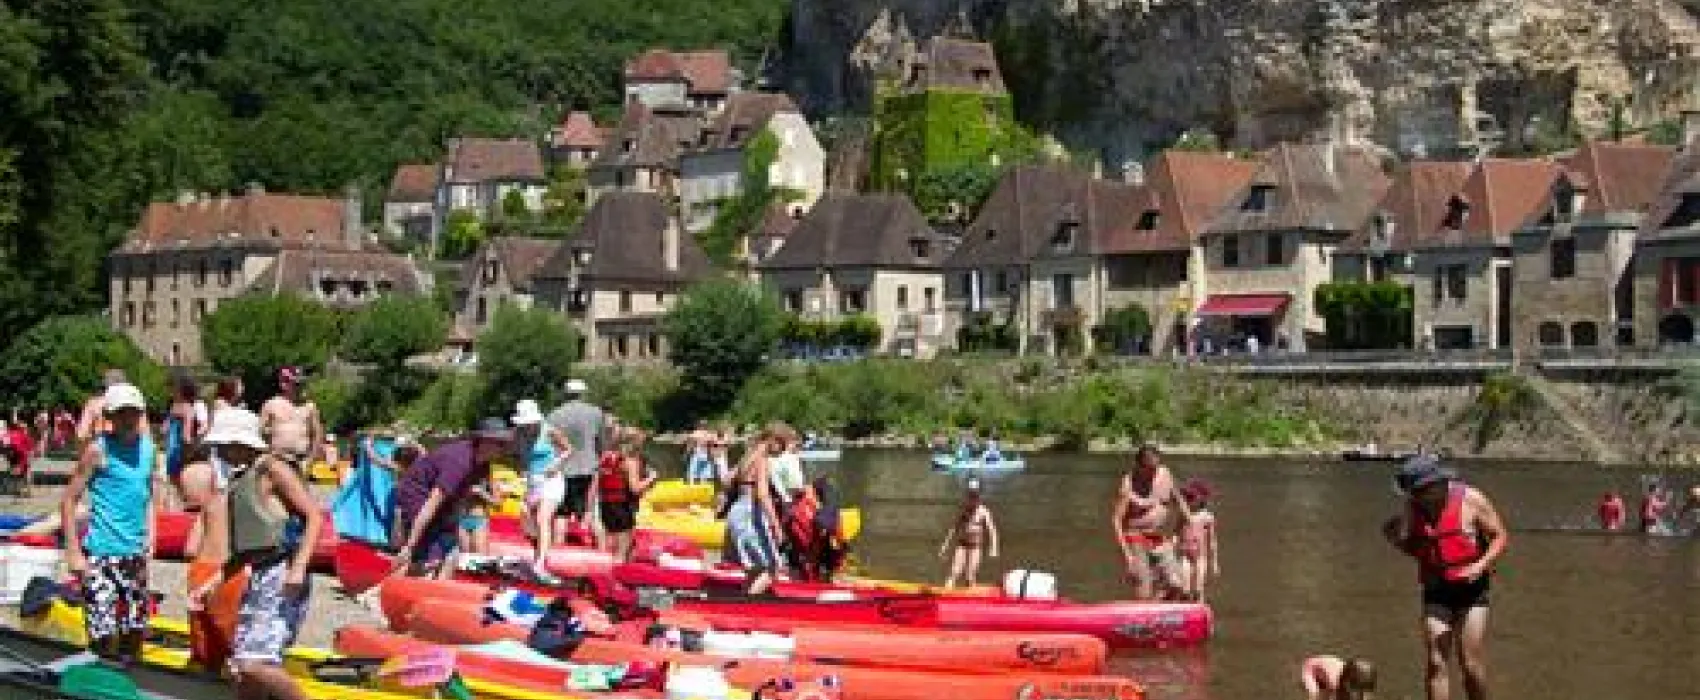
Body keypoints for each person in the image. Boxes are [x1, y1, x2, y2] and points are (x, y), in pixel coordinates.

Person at [188, 408, 323, 700]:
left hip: (282, 572)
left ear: (241, 443)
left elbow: (314, 516)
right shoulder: (241, 479)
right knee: (243, 672)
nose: (220, 452)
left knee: (254, 665)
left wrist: (298, 567)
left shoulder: (272, 469)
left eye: (224, 446)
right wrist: (213, 583)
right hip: (259, 575)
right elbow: (246, 550)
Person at [1381, 455, 1508, 700]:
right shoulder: (1413, 508)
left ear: (1437, 483)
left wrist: (1481, 565)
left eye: (1421, 492)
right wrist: (1402, 544)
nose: (1418, 499)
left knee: (1470, 664)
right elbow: (1407, 542)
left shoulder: (1471, 499)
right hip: (1436, 588)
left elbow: (1500, 535)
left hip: (1472, 588)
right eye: (1413, 494)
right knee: (1436, 662)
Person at [60, 383, 156, 662]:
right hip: (101, 554)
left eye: (133, 413)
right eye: (121, 414)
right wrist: (74, 552)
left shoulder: (148, 450)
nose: (128, 420)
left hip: (134, 554)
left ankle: (132, 681)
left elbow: (148, 493)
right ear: (110, 417)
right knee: (102, 633)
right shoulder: (97, 451)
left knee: (135, 629)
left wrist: (153, 531)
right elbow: (68, 500)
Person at [392, 419, 513, 579]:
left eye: (504, 443)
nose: (503, 447)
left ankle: (436, 588)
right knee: (429, 556)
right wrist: (409, 545)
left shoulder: (483, 465)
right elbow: (431, 504)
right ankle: (384, 589)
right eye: (499, 443)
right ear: (484, 441)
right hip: (417, 496)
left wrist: (454, 526)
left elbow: (462, 497)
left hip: (441, 505)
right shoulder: (458, 462)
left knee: (452, 552)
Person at [1113, 443, 1190, 601]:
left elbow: (1179, 500)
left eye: (1156, 467)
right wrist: (1128, 556)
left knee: (1177, 584)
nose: (1153, 472)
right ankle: (1146, 612)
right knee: (1143, 591)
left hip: (1160, 538)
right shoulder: (1128, 485)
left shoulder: (1165, 473)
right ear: (1139, 466)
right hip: (1136, 539)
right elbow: (1116, 520)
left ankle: (1158, 610)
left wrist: (1184, 528)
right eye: (1149, 469)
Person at [724, 424, 787, 595]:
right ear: (772, 440)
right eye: (783, 443)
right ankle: (750, 603)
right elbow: (763, 495)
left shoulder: (747, 457)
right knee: (773, 567)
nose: (784, 449)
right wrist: (776, 525)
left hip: (736, 512)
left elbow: (727, 481)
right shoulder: (762, 461)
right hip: (750, 514)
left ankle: (744, 599)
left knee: (753, 569)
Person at [513, 399, 572, 580]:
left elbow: (569, 449)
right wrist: (522, 475)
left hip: (551, 480)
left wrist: (556, 464)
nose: (527, 426)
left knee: (542, 518)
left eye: (529, 423)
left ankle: (539, 564)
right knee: (526, 520)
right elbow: (520, 457)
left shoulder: (549, 431)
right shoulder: (518, 433)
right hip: (532, 481)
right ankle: (539, 554)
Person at [547, 379, 605, 546]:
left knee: (561, 514)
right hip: (589, 468)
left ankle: (558, 550)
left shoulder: (554, 415)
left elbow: (551, 444)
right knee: (592, 513)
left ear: (565, 393)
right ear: (583, 393)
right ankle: (602, 551)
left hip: (563, 469)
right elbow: (601, 442)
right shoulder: (596, 413)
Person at [600, 427, 656, 561]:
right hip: (621, 506)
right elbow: (635, 488)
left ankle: (603, 572)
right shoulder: (630, 461)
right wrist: (651, 478)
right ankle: (616, 576)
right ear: (635, 443)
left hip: (606, 504)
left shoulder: (606, 456)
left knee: (610, 547)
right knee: (622, 550)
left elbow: (598, 482)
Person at [938, 478, 998, 588]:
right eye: (970, 495)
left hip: (976, 547)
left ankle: (970, 598)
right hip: (962, 545)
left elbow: (992, 531)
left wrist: (993, 548)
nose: (972, 498)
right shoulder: (964, 509)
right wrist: (945, 546)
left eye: (975, 495)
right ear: (967, 495)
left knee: (970, 575)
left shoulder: (984, 512)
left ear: (979, 495)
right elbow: (954, 528)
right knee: (954, 572)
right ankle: (945, 595)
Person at [259, 367, 322, 470]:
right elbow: (260, 433)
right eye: (296, 384)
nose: (300, 387)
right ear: (283, 383)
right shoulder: (271, 404)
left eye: (301, 383)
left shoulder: (309, 406)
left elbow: (317, 434)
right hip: (277, 460)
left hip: (301, 461)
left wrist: (310, 460)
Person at [76, 369, 148, 448]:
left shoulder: (94, 404)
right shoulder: (134, 406)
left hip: (102, 448)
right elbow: (145, 433)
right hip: (131, 449)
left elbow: (82, 434)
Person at [164, 374, 209, 498]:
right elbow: (185, 436)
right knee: (183, 488)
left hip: (173, 452)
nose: (170, 392)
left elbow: (165, 430)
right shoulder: (184, 407)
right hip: (180, 451)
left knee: (176, 486)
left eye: (173, 389)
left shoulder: (177, 407)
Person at [1177, 479, 1220, 602]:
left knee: (1198, 587)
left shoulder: (1207, 517)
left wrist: (1214, 562)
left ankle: (1199, 606)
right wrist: (1172, 543)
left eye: (1191, 497)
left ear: (1202, 499)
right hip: (1185, 554)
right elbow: (1176, 531)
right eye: (1186, 497)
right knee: (1184, 586)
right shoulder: (1184, 514)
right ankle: (1183, 606)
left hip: (1200, 557)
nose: (1187, 500)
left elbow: (1212, 541)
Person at [1301, 656, 1377, 700]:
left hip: (1327, 667)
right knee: (1315, 695)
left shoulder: (1349, 675)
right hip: (1310, 670)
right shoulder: (1334, 681)